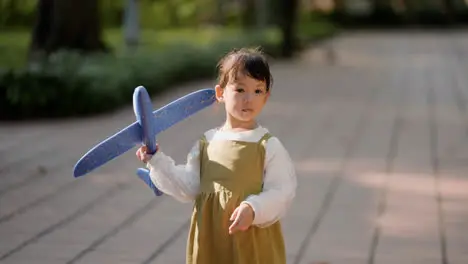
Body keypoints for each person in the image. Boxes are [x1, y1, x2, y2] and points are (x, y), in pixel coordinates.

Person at [136, 47, 297, 264]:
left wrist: (253, 208)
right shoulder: (207, 143)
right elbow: (188, 186)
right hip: (211, 240)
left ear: (266, 97)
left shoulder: (267, 145)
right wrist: (156, 160)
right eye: (240, 90)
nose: (249, 99)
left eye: (257, 91)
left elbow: (282, 190)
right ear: (221, 93)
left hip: (251, 242)